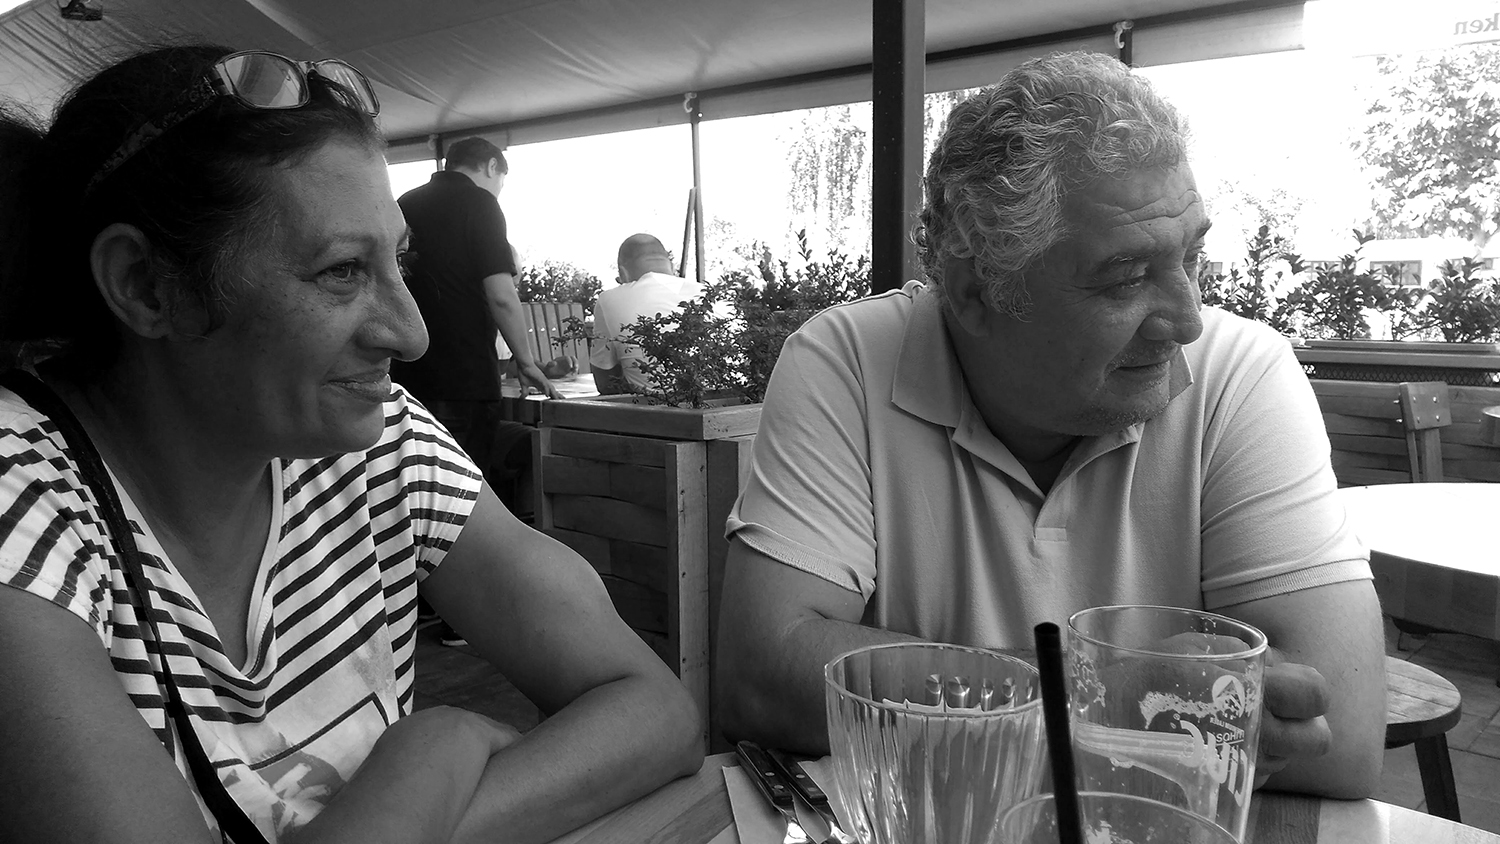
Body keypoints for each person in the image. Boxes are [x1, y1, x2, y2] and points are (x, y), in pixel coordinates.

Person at [0, 45, 701, 844]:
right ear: (146, 285)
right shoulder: (22, 498)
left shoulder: (373, 442)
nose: (411, 331)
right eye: (340, 272)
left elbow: (655, 712)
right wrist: (435, 747)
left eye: (398, 262)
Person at [715, 51, 1386, 799]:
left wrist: (989, 705)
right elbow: (763, 676)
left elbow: (1339, 733)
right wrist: (1116, 696)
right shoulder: (848, 361)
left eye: (1192, 256)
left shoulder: (1240, 374)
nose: (1187, 319)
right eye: (1126, 276)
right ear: (974, 289)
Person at [589, 233, 703, 394]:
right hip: (733, 404)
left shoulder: (608, 298)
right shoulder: (709, 293)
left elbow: (605, 383)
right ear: (671, 266)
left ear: (623, 273)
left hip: (659, 411)